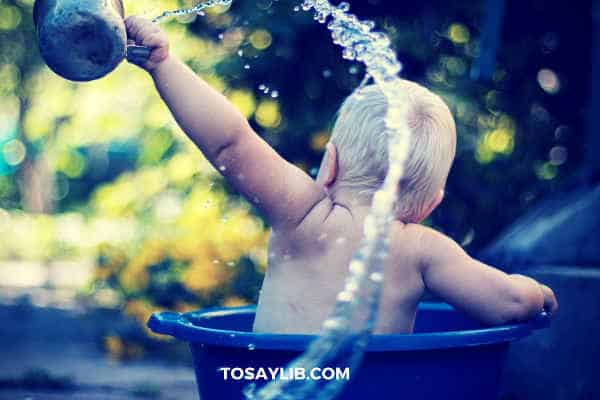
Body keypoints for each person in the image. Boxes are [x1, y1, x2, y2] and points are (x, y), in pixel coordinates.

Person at [125, 17, 558, 334]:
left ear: (329, 164)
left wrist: (164, 64)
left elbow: (231, 142)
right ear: (431, 204)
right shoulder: (424, 251)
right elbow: (509, 303)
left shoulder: (302, 213)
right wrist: (537, 293)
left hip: (268, 383)